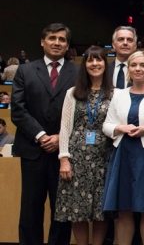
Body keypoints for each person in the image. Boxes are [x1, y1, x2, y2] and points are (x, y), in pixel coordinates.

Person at [12, 22, 76, 245]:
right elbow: (18, 111)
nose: (57, 43)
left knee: (62, 210)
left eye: (62, 39)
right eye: (52, 38)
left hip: (64, 153)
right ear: (42, 42)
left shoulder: (77, 72)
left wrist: (61, 137)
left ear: (67, 45)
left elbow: (81, 112)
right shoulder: (25, 70)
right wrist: (40, 135)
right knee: (30, 209)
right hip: (33, 150)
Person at [102, 51, 144, 245]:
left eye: (143, 65)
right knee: (124, 210)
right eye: (134, 65)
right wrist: (120, 128)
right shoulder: (118, 94)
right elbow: (107, 125)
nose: (138, 69)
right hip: (123, 155)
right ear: (128, 69)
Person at [54, 45, 114, 245]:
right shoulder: (73, 92)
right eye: (90, 60)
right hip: (76, 159)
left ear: (105, 64)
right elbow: (64, 126)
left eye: (99, 60)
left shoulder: (115, 93)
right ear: (85, 64)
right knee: (76, 209)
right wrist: (64, 158)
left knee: (100, 210)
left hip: (104, 158)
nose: (95, 64)